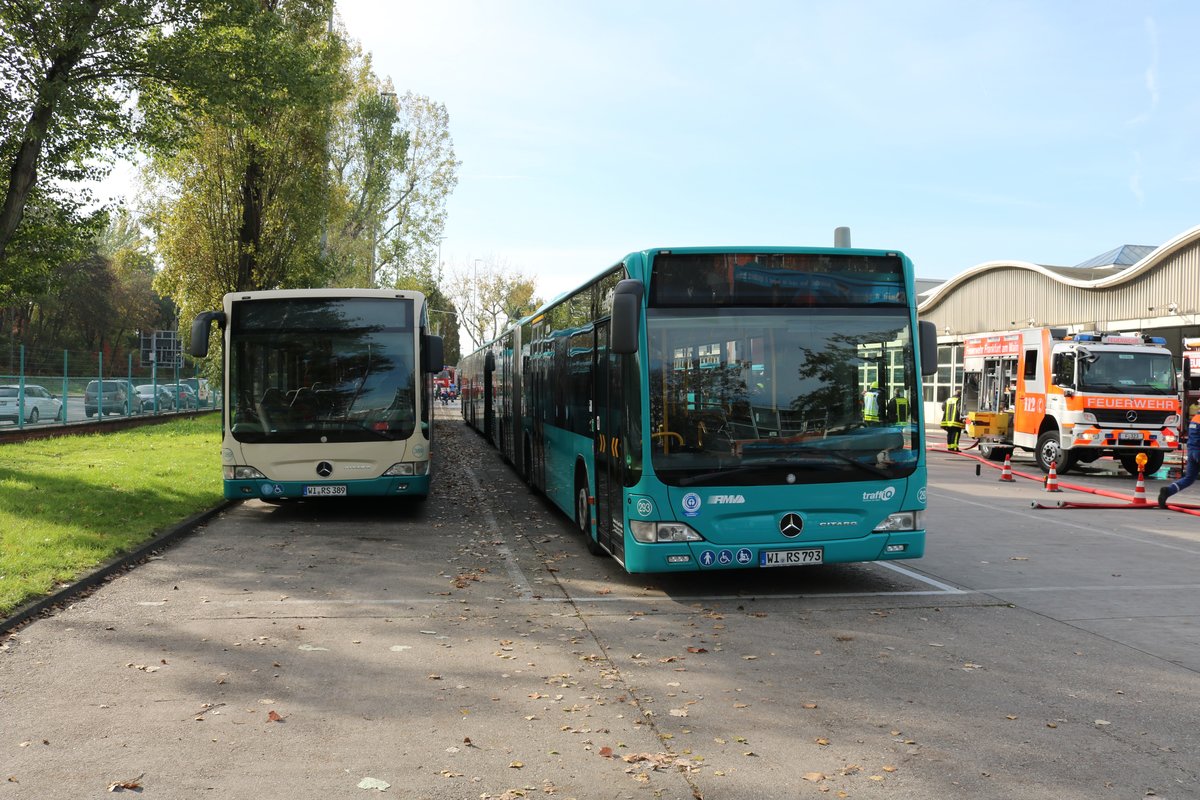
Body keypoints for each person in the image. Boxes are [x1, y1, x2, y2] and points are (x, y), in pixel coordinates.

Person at [1159, 410, 1200, 507]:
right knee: (1189, 478)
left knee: (1189, 478)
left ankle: (1168, 491)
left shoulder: (1195, 418)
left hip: (1192, 452)